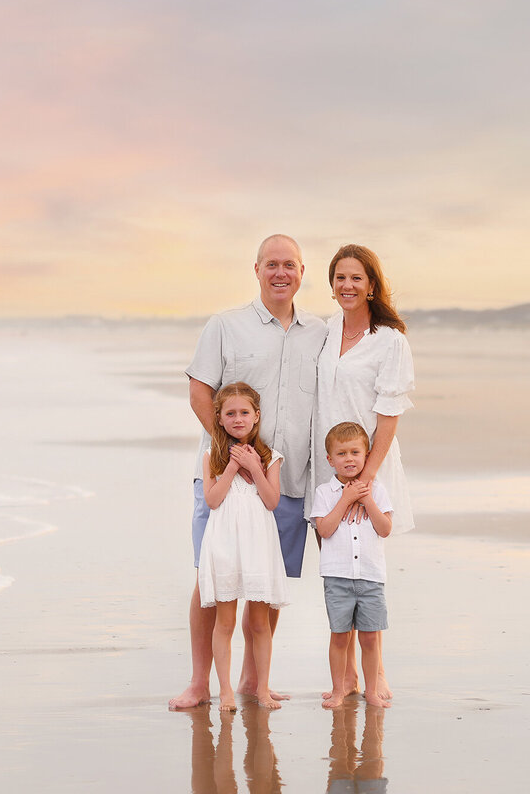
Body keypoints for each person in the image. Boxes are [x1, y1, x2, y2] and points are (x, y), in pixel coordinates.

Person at [169, 235, 327, 710]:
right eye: (272, 264)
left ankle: (253, 680)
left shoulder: (320, 333)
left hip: (285, 480)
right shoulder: (225, 326)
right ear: (256, 269)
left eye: (290, 265)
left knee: (266, 581)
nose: (281, 273)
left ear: (303, 272)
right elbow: (200, 393)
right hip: (224, 477)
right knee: (211, 581)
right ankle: (199, 682)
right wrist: (233, 455)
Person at [310, 243, 415, 700]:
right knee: (337, 568)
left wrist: (364, 479)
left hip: (366, 466)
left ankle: (376, 673)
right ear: (331, 287)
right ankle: (346, 675)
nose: (347, 285)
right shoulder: (327, 332)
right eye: (340, 278)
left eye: (356, 278)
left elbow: (389, 414)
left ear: (372, 285)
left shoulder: (390, 341)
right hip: (329, 468)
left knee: (366, 567)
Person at [197, 382, 289, 711]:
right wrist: (234, 466)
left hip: (257, 542)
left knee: (260, 622)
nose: (238, 419)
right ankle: (224, 690)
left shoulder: (271, 457)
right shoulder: (212, 456)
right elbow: (212, 499)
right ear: (219, 419)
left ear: (256, 416)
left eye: (244, 413)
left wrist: (253, 467)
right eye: (230, 413)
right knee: (225, 621)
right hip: (224, 541)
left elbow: (271, 500)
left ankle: (261, 688)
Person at [311, 422, 393, 709]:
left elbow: (384, 529)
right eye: (342, 453)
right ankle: (338, 689)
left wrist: (366, 499)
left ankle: (371, 690)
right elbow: (325, 530)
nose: (349, 459)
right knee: (340, 637)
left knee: (370, 639)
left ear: (367, 455)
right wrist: (346, 500)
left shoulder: (379, 490)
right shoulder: (325, 492)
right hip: (338, 578)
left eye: (355, 452)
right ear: (330, 459)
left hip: (370, 578)